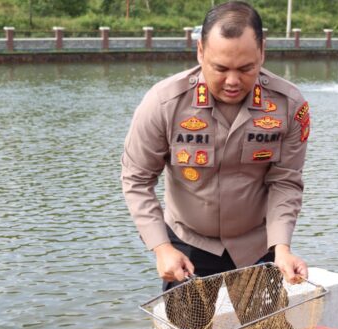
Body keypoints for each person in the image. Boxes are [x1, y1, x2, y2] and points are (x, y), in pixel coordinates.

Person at [121, 1, 310, 292]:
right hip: (189, 246)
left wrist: (282, 247)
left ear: (262, 52)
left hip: (258, 247)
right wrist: (161, 247)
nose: (233, 81)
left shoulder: (288, 106)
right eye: (220, 68)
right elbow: (137, 178)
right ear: (200, 52)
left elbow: (285, 181)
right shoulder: (163, 104)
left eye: (246, 68)